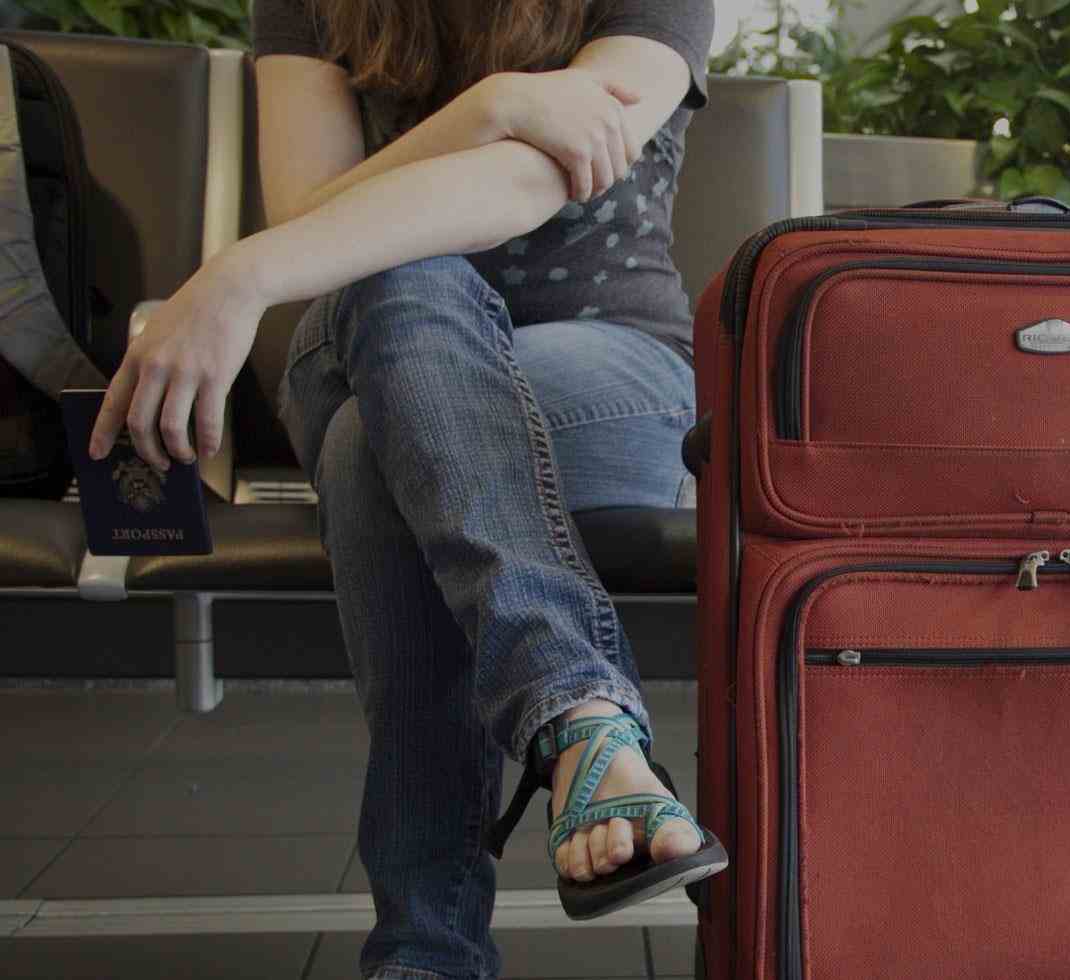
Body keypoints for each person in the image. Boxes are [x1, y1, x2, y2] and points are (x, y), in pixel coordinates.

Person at [82, 1, 726, 975]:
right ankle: (582, 719)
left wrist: (240, 274)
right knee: (400, 275)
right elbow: (309, 213)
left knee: (370, 445)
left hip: (608, 374)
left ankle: (427, 950)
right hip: (357, 344)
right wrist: (493, 106)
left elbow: (537, 173)